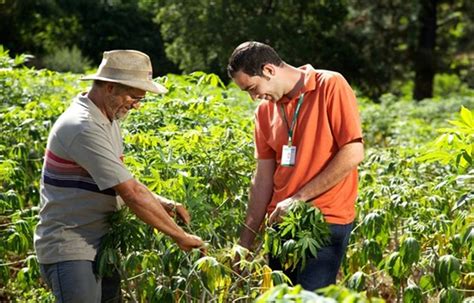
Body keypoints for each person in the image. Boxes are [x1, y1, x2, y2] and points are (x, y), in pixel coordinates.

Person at [34, 50, 205, 302]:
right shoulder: (83, 126)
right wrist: (180, 236)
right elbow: (131, 193)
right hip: (70, 245)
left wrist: (163, 203)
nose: (136, 104)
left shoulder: (108, 119)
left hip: (101, 242)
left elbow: (119, 181)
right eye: (134, 96)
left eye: (141, 99)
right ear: (111, 87)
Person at [227, 41, 364, 290]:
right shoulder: (264, 112)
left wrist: (299, 198)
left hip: (323, 220)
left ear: (268, 70)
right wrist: (244, 244)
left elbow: (353, 151)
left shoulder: (329, 84)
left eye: (252, 88)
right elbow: (263, 180)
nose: (254, 97)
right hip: (280, 224)